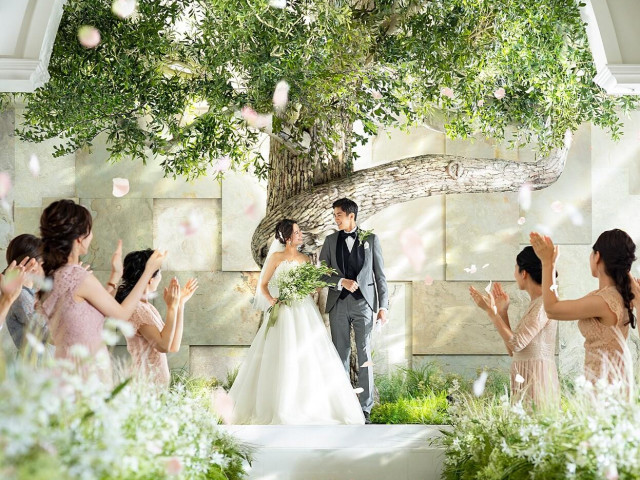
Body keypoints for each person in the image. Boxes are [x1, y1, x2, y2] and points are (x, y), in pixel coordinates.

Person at [229, 219, 365, 425]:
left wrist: (316, 284)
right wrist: (272, 300)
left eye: (300, 232)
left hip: (304, 310)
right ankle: (279, 406)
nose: (301, 235)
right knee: (281, 352)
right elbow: (263, 285)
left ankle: (310, 406)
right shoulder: (276, 257)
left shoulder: (305, 259)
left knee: (310, 353)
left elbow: (313, 288)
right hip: (283, 309)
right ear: (287, 237)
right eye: (297, 232)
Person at [39, 199, 166, 381]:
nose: (92, 236)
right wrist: (148, 271)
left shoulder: (54, 276)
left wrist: (116, 275)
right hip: (87, 372)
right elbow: (121, 314)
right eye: (90, 230)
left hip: (65, 370)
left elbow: (92, 314)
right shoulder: (78, 277)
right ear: (79, 238)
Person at [531, 229, 636, 385]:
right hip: (609, 381)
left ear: (597, 256)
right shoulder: (617, 295)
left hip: (605, 385)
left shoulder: (604, 301)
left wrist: (548, 263)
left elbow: (552, 309)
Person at [318, 198, 388, 424]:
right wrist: (341, 282)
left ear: (351, 216)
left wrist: (383, 307)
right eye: (335, 215)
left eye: (338, 215)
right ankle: (342, 408)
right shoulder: (330, 241)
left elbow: (380, 276)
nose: (335, 219)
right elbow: (321, 275)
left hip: (364, 304)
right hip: (338, 304)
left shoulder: (371, 239)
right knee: (340, 354)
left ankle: (365, 408)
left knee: (365, 354)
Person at [469, 246, 560, 408]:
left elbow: (517, 344)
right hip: (527, 377)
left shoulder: (543, 304)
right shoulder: (537, 303)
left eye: (515, 268)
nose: (514, 274)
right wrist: (502, 312)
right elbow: (514, 350)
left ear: (523, 273)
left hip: (537, 380)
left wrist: (491, 312)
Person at [116, 249, 198, 387]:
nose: (161, 276)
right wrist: (171, 308)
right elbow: (163, 346)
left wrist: (179, 304)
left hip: (155, 386)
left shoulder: (147, 307)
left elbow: (173, 346)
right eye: (159, 272)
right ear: (149, 279)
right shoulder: (136, 310)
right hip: (145, 385)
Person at [3, 235, 48, 350]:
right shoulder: (21, 295)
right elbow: (49, 333)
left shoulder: (28, 292)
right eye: (44, 264)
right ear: (32, 264)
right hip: (33, 361)